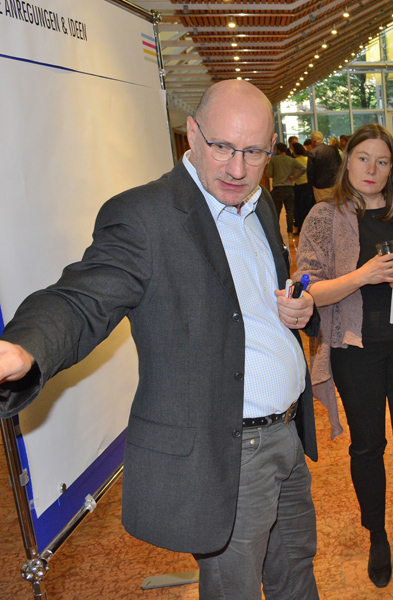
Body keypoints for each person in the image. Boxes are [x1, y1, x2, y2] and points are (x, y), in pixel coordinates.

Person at [0, 80, 320, 599]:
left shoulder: (260, 203)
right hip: (231, 450)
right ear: (192, 133)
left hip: (287, 433)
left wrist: (297, 310)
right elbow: (83, 297)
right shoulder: (145, 216)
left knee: (296, 571)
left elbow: (251, 304)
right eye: (222, 147)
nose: (238, 169)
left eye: (254, 152)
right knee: (235, 589)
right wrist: (25, 348)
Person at [296, 123, 393, 589]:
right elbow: (308, 288)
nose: (372, 169)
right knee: (367, 446)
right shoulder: (325, 216)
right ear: (348, 162)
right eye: (363, 158)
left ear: (392, 168)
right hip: (355, 350)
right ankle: (377, 536)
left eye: (382, 161)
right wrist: (362, 275)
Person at [265, 142, 306, 234]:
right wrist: (294, 176)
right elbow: (303, 168)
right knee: (290, 211)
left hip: (278, 189)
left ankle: (276, 232)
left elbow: (269, 173)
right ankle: (290, 231)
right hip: (289, 188)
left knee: (276, 211)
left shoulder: (274, 160)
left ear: (278, 150)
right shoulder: (291, 160)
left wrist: (276, 174)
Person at [307, 130, 342, 204]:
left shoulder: (313, 152)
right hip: (334, 183)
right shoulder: (333, 149)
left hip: (320, 185)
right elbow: (340, 164)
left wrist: (311, 185)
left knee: (322, 206)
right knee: (335, 204)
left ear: (314, 141)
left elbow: (310, 171)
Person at [291, 141, 315, 233]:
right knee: (307, 206)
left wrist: (294, 177)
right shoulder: (307, 159)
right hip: (307, 184)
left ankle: (301, 226)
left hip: (298, 185)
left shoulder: (294, 161)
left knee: (298, 207)